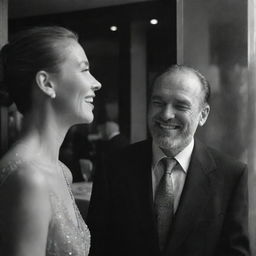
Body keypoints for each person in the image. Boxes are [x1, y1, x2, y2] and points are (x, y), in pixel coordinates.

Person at [87, 65, 250, 256]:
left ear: (203, 114)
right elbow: (97, 246)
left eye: (181, 105)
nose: (166, 114)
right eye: (158, 102)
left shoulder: (230, 175)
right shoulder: (113, 167)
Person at [0, 26, 101, 256]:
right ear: (46, 83)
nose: (96, 83)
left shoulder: (62, 171)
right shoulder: (28, 178)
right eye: (84, 70)